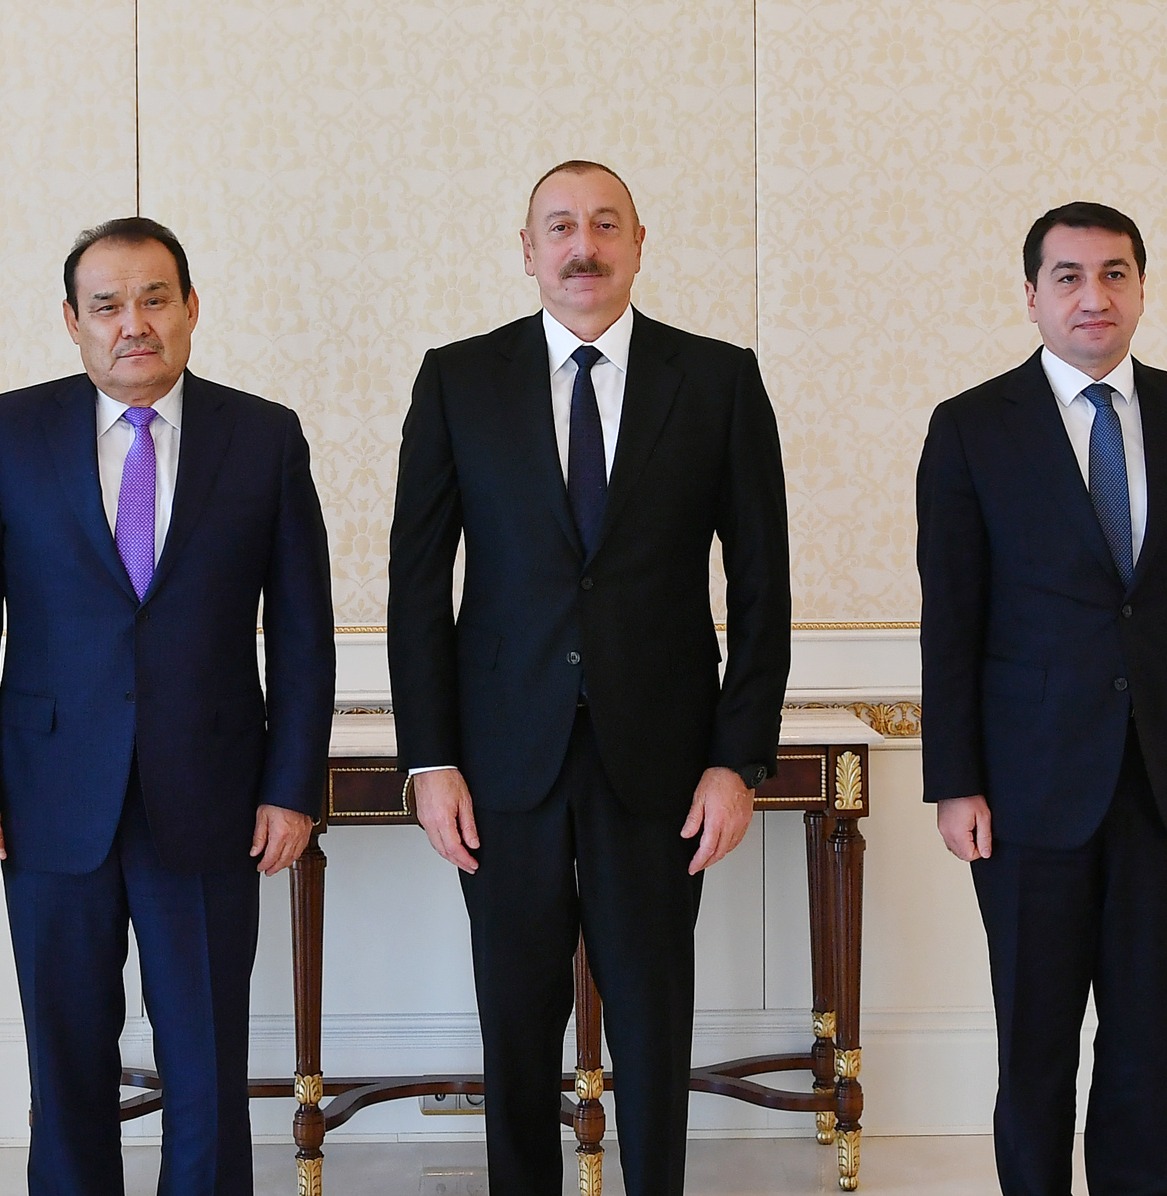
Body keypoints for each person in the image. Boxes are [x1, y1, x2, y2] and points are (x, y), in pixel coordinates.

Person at [387, 160, 791, 1196]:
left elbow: (762, 587)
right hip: (501, 763)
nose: (583, 246)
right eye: (560, 227)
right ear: (527, 251)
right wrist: (429, 758)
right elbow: (417, 585)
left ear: (639, 243)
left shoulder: (717, 380)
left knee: (653, 1024)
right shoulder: (457, 379)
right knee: (516, 1025)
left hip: (660, 763)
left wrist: (737, 759)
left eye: (605, 225)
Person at [0, 217, 335, 1196]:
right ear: (72, 321)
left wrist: (290, 787)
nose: (133, 323)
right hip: (47, 795)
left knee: (205, 1062)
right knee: (67, 1061)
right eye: (106, 304)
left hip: (209, 795)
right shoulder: (6, 432)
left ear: (191, 308)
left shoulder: (262, 436)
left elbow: (301, 629)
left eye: (155, 299)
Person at [916, 201, 1167, 1196]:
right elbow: (951, 619)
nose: (1092, 295)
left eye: (1114, 273)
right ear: (1031, 296)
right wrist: (956, 780)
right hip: (1025, 790)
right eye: (1067, 276)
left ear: (1141, 289)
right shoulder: (971, 427)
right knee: (1033, 1042)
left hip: (1166, 780)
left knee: (1143, 1040)